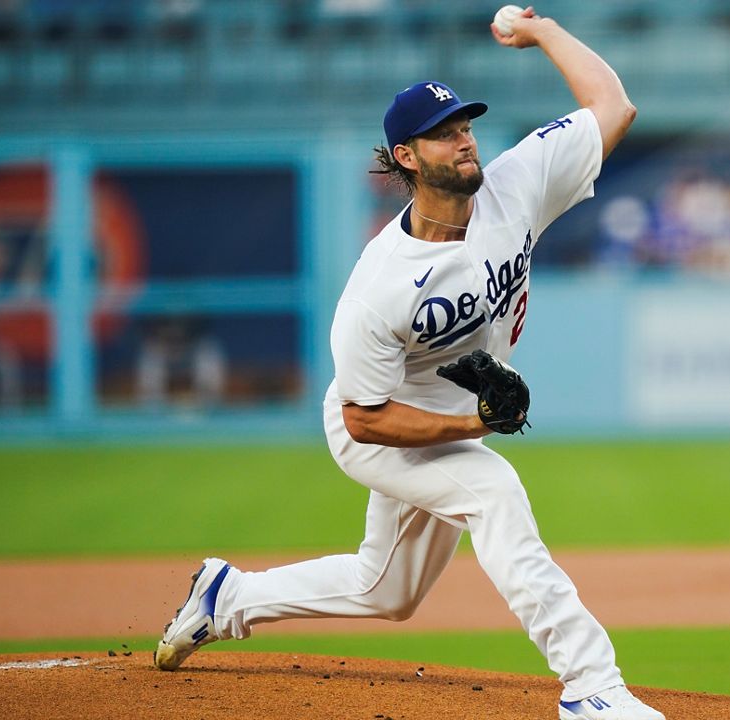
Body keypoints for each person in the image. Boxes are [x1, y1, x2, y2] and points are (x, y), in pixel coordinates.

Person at [154, 9, 663, 720]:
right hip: (377, 424)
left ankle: (228, 596)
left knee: (386, 591)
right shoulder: (380, 285)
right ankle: (592, 688)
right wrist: (467, 426)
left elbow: (614, 104)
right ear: (406, 158)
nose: (464, 140)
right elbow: (364, 419)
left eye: (465, 125)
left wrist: (541, 29)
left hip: (449, 420)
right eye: (444, 133)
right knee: (495, 493)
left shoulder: (516, 185)